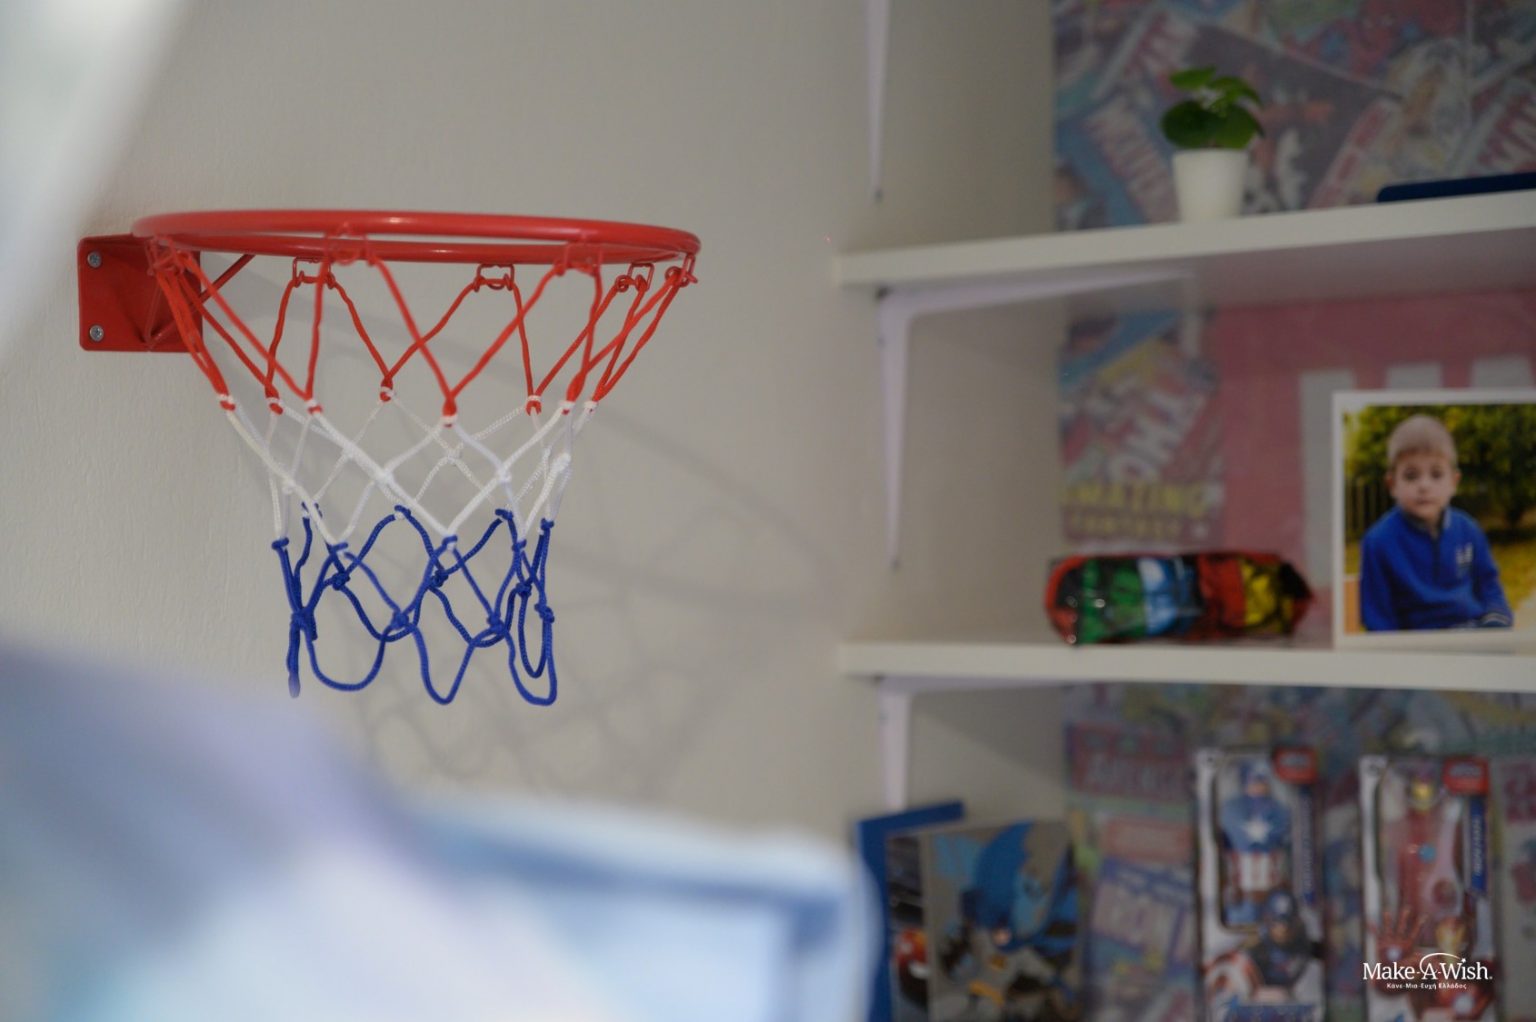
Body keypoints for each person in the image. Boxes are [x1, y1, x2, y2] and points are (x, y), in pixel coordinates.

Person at [1358, 413, 1512, 631]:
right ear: (1392, 485)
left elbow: (1490, 588)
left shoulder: (1469, 530)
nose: (1424, 486)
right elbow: (1378, 620)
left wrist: (1495, 627)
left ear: (1454, 482)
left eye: (1436, 474)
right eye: (1411, 476)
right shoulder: (1378, 542)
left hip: (1472, 634)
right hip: (1417, 644)